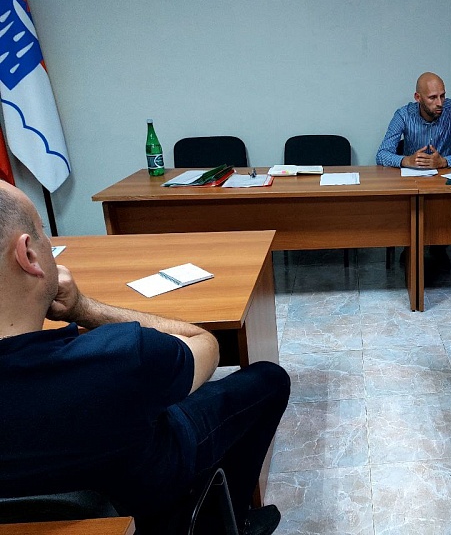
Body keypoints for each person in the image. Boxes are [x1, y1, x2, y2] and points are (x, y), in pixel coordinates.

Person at [0, 181, 290, 535]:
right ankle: (228, 523)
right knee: (269, 380)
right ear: (29, 255)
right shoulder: (118, 357)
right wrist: (83, 308)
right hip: (149, 489)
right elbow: (204, 343)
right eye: (43, 233)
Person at [375, 72, 451, 169]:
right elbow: (382, 154)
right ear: (418, 97)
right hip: (413, 175)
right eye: (432, 97)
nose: (440, 103)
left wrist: (444, 162)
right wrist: (407, 161)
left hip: (445, 174)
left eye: (442, 96)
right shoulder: (403, 115)